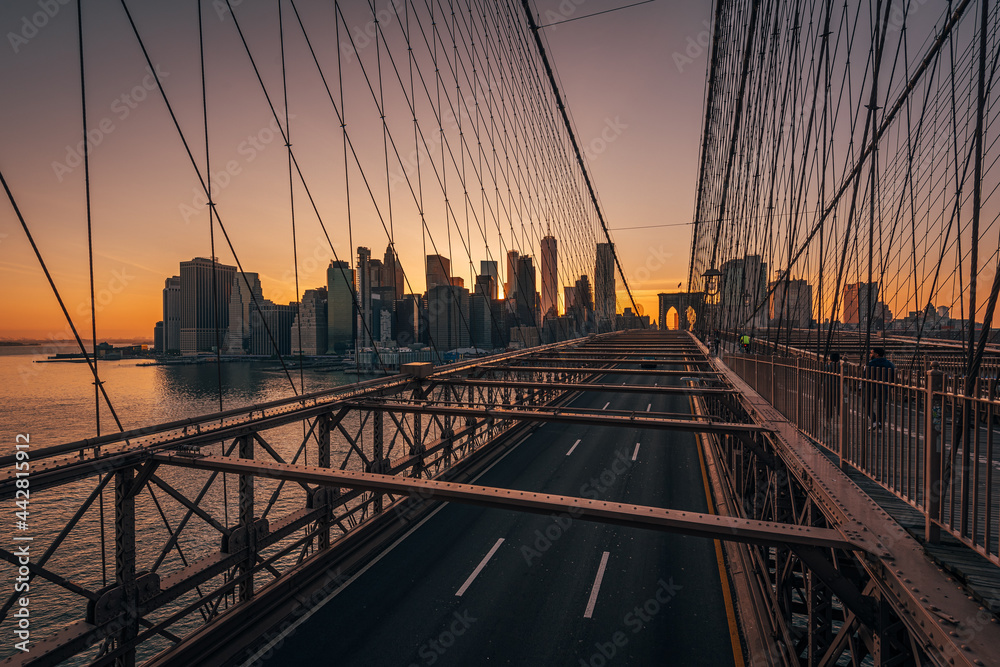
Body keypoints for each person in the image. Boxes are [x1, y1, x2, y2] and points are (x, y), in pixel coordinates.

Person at [864, 347, 895, 430]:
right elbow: (893, 375)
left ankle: (874, 421)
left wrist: (861, 387)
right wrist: (890, 386)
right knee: (882, 406)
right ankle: (880, 425)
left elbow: (865, 376)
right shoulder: (890, 364)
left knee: (866, 404)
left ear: (876, 354)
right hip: (884, 387)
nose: (870, 354)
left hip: (871, 387)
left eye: (871, 353)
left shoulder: (870, 364)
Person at [823, 352, 841, 425]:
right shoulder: (840, 367)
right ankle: (842, 420)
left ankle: (828, 421)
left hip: (828, 387)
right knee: (839, 405)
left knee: (828, 405)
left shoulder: (827, 366)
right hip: (838, 387)